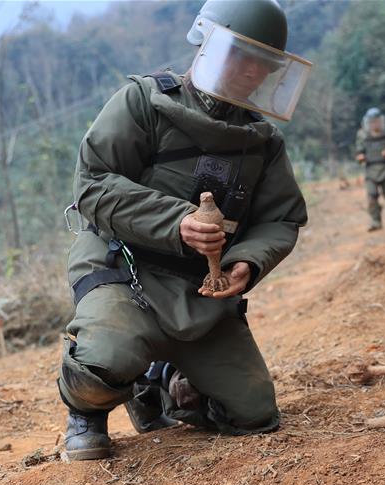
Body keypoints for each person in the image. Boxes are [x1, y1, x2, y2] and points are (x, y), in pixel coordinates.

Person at [57, 0, 312, 460]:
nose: (250, 71)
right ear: (205, 43)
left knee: (254, 414)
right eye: (240, 54)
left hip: (199, 291)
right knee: (105, 362)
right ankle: (87, 415)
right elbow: (93, 184)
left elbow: (281, 218)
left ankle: (162, 382)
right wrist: (179, 223)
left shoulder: (263, 142)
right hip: (124, 268)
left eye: (263, 63)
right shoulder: (144, 102)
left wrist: (245, 263)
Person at [355, 108, 385, 231]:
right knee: (371, 196)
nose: (374, 124)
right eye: (372, 122)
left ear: (381, 122)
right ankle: (376, 222)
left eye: (376, 121)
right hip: (370, 170)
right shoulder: (363, 137)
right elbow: (358, 153)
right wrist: (360, 157)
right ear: (368, 123)